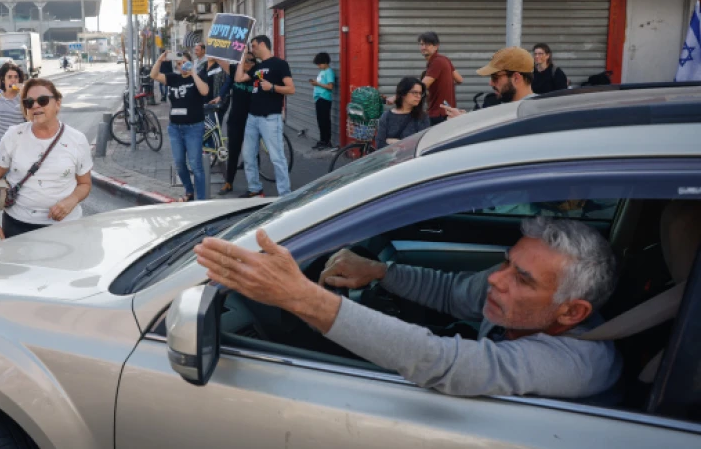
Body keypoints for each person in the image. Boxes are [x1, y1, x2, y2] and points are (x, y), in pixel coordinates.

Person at [194, 217, 621, 398]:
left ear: (572, 313)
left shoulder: (581, 363)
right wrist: (379, 272)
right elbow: (454, 292)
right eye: (507, 262)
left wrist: (298, 296)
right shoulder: (524, 310)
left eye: (521, 279)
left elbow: (442, 362)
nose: (496, 278)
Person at [0, 78, 92, 240]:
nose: (35, 106)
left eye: (43, 100)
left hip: (66, 226)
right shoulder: (13, 136)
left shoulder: (77, 139)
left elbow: (85, 183)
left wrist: (72, 200)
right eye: (29, 102)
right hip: (18, 227)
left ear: (58, 103)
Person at [237, 35, 294, 198]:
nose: (252, 50)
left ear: (262, 44)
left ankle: (285, 194)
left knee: (277, 157)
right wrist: (242, 59)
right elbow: (239, 78)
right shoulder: (257, 67)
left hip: (270, 118)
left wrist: (272, 87)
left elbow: (291, 89)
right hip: (252, 118)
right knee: (248, 155)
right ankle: (255, 188)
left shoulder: (279, 64)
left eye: (253, 46)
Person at [151, 50, 210, 201]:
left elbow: (204, 91)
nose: (181, 66)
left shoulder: (198, 77)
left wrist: (193, 73)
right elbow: (154, 75)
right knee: (179, 163)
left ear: (191, 63)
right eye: (178, 63)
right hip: (175, 128)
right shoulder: (173, 78)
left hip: (193, 128)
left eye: (184, 62)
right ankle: (189, 191)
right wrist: (160, 60)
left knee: (196, 165)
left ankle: (201, 200)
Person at [443, 47, 536, 119]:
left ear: (516, 78)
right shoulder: (513, 109)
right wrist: (465, 118)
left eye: (495, 78)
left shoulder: (531, 114)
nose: (491, 83)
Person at [213, 52, 254, 195]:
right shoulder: (235, 71)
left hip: (252, 120)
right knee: (234, 152)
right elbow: (222, 63)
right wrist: (214, 48)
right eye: (245, 60)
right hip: (235, 119)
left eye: (250, 60)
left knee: (252, 153)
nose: (247, 63)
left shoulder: (256, 74)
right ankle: (229, 182)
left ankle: (254, 186)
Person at [417, 32, 461, 126]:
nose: (423, 47)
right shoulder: (444, 59)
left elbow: (422, 86)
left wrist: (398, 97)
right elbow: (459, 79)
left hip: (438, 113)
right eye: (421, 44)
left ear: (436, 46)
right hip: (448, 112)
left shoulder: (436, 62)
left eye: (427, 44)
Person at [374, 77, 430, 149]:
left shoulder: (422, 117)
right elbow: (380, 145)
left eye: (420, 93)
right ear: (403, 93)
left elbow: (421, 145)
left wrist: (395, 142)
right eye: (415, 92)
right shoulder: (387, 116)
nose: (418, 96)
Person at [309, 52, 336, 150]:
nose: (318, 66)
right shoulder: (322, 72)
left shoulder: (329, 72)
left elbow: (330, 86)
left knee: (325, 121)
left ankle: (327, 141)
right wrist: (315, 84)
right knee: (320, 121)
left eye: (319, 64)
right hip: (319, 98)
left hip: (324, 98)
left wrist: (317, 84)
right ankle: (322, 140)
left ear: (325, 62)